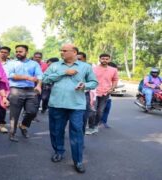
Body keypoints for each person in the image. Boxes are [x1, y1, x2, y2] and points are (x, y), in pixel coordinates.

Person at [42, 44, 98, 173]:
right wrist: (63, 73)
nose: (61, 52)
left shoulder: (85, 66)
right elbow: (45, 79)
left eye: (64, 50)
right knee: (56, 130)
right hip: (57, 104)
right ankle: (58, 151)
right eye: (61, 50)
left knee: (77, 132)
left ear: (74, 52)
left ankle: (78, 160)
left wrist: (85, 85)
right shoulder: (55, 66)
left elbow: (94, 82)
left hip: (76, 105)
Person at [8, 45, 43, 142]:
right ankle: (12, 133)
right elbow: (9, 75)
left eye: (20, 51)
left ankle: (23, 125)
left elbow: (39, 75)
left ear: (26, 52)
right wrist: (26, 77)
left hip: (31, 90)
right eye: (17, 51)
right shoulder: (11, 63)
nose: (18, 53)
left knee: (32, 111)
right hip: (15, 89)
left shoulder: (34, 64)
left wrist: (39, 85)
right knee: (14, 113)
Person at [86, 54, 118, 135]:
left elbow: (115, 79)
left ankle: (96, 126)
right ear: (99, 59)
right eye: (103, 59)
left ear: (109, 60)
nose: (105, 60)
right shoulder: (93, 69)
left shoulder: (113, 70)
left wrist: (112, 88)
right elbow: (88, 79)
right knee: (93, 110)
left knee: (100, 111)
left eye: (107, 59)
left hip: (105, 93)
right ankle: (91, 127)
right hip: (94, 92)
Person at [0, 46, 12, 133]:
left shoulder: (12, 64)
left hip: (5, 87)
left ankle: (0, 124)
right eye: (1, 51)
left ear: (8, 54)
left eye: (5, 52)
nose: (3, 53)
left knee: (2, 105)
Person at [100, 62, 118, 128]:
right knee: (99, 110)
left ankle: (103, 122)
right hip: (100, 95)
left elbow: (114, 83)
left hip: (108, 97)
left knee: (107, 109)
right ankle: (94, 122)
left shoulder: (114, 76)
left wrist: (113, 88)